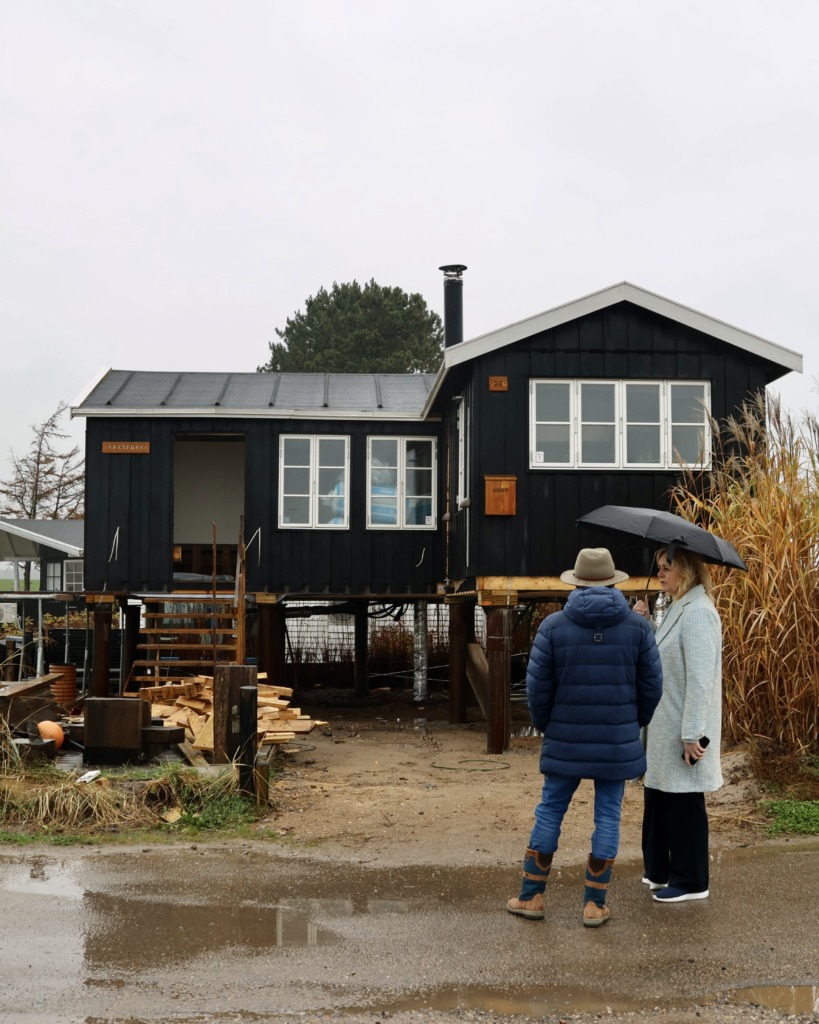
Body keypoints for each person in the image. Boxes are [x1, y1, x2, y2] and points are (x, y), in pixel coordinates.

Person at [506, 548, 663, 927]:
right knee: (608, 816)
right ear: (613, 581)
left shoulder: (553, 626)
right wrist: (632, 723)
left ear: (576, 582)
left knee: (550, 811)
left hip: (565, 738)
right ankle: (594, 905)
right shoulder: (638, 628)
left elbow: (536, 689)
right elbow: (652, 687)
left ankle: (531, 897)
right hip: (617, 740)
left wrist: (549, 725)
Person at [634, 546, 723, 903]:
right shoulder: (678, 607)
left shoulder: (699, 612)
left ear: (685, 570)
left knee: (684, 802)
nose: (660, 573)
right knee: (659, 799)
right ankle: (659, 871)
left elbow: (700, 680)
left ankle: (691, 880)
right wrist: (646, 623)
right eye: (658, 567)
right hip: (664, 725)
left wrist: (692, 734)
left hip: (681, 729)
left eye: (666, 568)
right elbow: (665, 654)